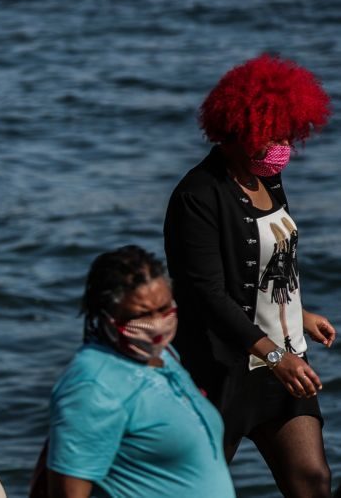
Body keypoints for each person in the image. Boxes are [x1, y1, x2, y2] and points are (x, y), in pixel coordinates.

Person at [164, 54, 334, 497]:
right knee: (197, 487)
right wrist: (275, 357)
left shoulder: (268, 179)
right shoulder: (196, 196)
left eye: (287, 133)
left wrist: (299, 313)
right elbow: (207, 293)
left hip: (283, 359)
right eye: (271, 135)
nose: (281, 146)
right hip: (223, 367)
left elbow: (268, 264)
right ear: (239, 130)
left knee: (312, 480)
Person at [46, 246, 235, 498]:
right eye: (142, 315)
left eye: (164, 309)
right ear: (107, 316)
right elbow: (68, 493)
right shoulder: (93, 386)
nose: (158, 324)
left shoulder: (163, 355)